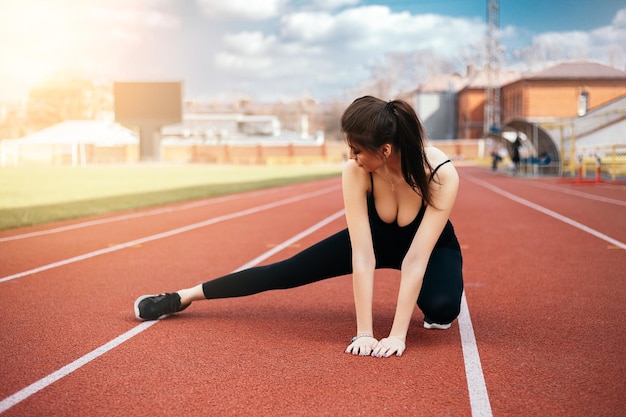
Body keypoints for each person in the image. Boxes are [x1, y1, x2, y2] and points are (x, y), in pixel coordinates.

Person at [134, 96, 464, 358]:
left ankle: (436, 303)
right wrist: (365, 332)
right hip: (376, 241)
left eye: (357, 149)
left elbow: (416, 259)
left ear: (386, 150)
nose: (351, 156)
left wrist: (396, 335)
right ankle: (184, 295)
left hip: (431, 248)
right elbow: (362, 255)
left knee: (441, 311)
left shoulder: (440, 174)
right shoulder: (356, 171)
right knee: (285, 271)